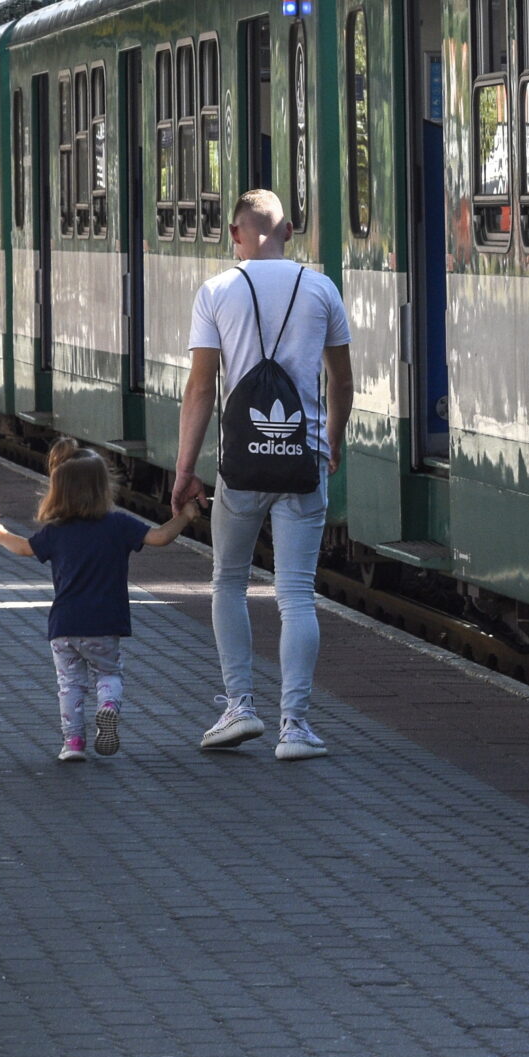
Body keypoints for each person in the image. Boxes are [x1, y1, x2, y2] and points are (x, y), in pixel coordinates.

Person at [171, 189, 352, 762]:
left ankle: (239, 707)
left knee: (228, 581)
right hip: (301, 460)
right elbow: (341, 380)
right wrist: (333, 439)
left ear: (236, 234)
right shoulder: (321, 288)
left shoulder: (218, 291)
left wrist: (184, 470)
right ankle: (294, 728)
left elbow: (201, 388)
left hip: (241, 465)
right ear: (289, 230)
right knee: (296, 593)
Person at [0, 449, 200, 762]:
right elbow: (161, 537)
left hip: (65, 628)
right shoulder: (119, 524)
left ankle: (73, 744)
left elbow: (24, 548)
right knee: (109, 674)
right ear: (103, 487)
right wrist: (185, 517)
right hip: (104, 624)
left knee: (70, 685)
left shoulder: (56, 531)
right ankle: (108, 707)